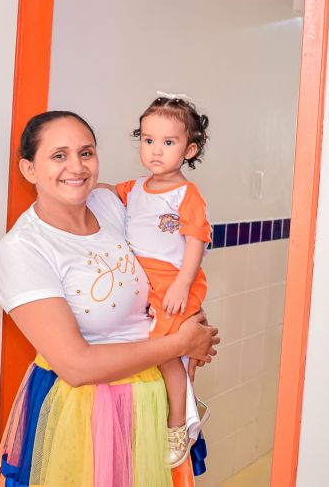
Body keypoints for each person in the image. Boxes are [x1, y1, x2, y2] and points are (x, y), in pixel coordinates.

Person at [0, 110, 220, 487]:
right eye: (59, 155)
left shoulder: (110, 204)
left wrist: (189, 317)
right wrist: (179, 343)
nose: (76, 166)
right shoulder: (23, 249)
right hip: (85, 413)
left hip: (152, 400)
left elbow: (164, 259)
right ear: (29, 169)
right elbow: (76, 366)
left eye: (86, 153)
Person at [102, 93, 211, 467]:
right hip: (144, 283)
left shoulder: (186, 194)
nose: (155, 150)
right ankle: (179, 409)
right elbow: (106, 194)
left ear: (189, 150)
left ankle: (179, 422)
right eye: (148, 140)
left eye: (168, 142)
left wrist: (182, 284)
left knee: (166, 353)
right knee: (155, 351)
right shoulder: (134, 188)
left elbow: (196, 241)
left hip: (172, 282)